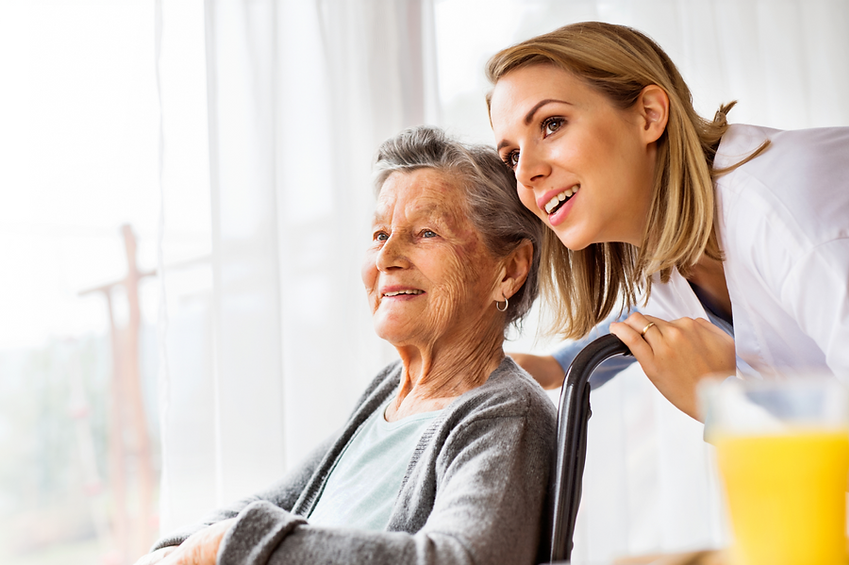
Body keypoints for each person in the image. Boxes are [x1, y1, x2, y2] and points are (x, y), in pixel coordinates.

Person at [132, 126, 556, 565]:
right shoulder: (391, 391)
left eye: (426, 233)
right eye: (380, 234)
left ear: (510, 270)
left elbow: (461, 559)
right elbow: (276, 502)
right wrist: (175, 550)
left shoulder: (505, 415)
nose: (386, 257)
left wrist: (222, 548)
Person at [486, 21, 849, 420]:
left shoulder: (787, 216)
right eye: (512, 157)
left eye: (552, 124)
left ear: (649, 115)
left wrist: (722, 403)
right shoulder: (671, 244)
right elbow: (649, 315)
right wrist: (558, 366)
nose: (525, 173)